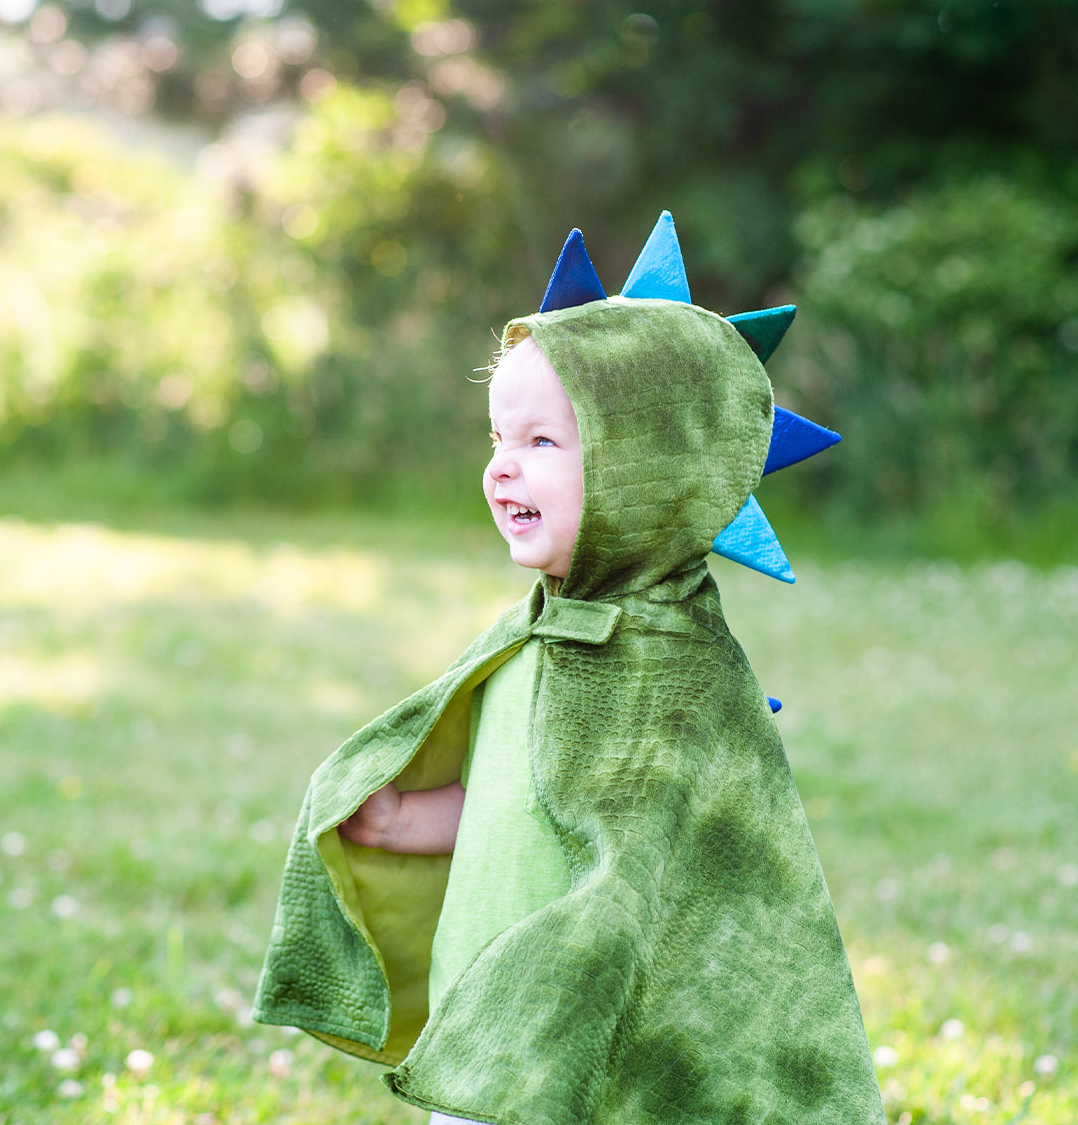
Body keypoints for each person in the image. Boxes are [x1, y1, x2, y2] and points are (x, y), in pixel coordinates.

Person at [254, 215, 885, 1125]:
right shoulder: (539, 634)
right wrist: (402, 818)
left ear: (652, 469)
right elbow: (533, 795)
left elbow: (653, 877)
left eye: (542, 444)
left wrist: (556, 984)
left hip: (590, 1042)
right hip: (492, 1022)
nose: (503, 470)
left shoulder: (673, 675)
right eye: (497, 440)